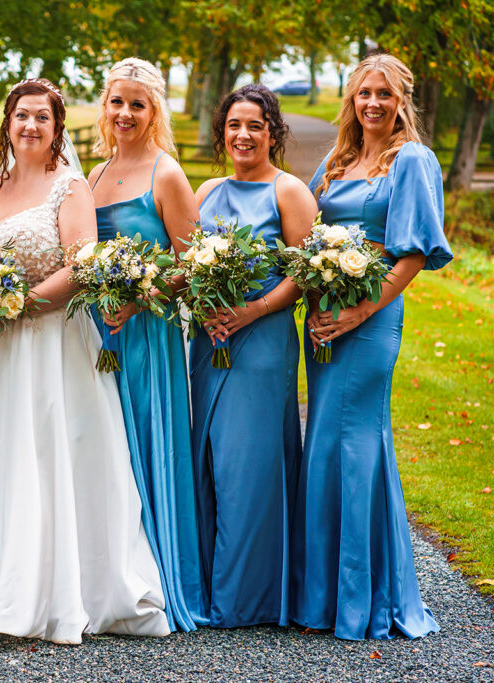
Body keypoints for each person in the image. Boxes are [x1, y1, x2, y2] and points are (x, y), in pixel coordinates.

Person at [0, 78, 170, 644]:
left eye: (42, 118)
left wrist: (15, 304)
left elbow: (80, 266)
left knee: (43, 460)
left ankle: (40, 592)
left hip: (49, 345)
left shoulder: (70, 187)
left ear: (57, 129)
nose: (30, 126)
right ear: (7, 124)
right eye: (21, 116)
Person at [292, 53, 451, 640]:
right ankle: (323, 595)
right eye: (365, 93)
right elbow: (306, 232)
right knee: (324, 445)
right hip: (325, 319)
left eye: (385, 94)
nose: (374, 103)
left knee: (353, 442)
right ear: (351, 100)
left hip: (371, 317)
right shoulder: (335, 161)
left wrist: (361, 307)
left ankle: (359, 599)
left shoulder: (412, 160)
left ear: (402, 100)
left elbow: (413, 254)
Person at [190, 84, 316, 628]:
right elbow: (187, 259)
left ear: (273, 133)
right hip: (208, 339)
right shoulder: (207, 189)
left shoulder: (289, 192)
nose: (243, 135)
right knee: (210, 459)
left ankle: (247, 598)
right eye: (234, 125)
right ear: (222, 131)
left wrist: (252, 309)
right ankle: (206, 585)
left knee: (250, 467)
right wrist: (202, 299)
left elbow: (303, 273)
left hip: (262, 340)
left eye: (255, 126)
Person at [87, 58, 206, 633]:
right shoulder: (94, 175)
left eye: (137, 104)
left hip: (146, 331)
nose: (125, 113)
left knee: (144, 442)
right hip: (96, 330)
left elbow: (195, 264)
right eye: (117, 102)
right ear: (104, 108)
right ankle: (112, 573)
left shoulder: (167, 174)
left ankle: (160, 574)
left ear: (153, 110)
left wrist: (141, 295)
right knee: (105, 448)